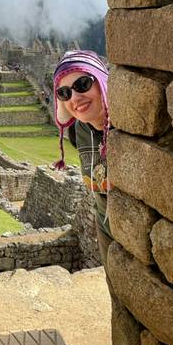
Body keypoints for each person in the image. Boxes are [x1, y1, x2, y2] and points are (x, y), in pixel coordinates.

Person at [52, 50, 112, 266]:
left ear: (102, 82)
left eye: (83, 84)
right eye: (64, 93)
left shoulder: (130, 127)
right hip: (106, 229)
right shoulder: (80, 131)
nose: (75, 98)